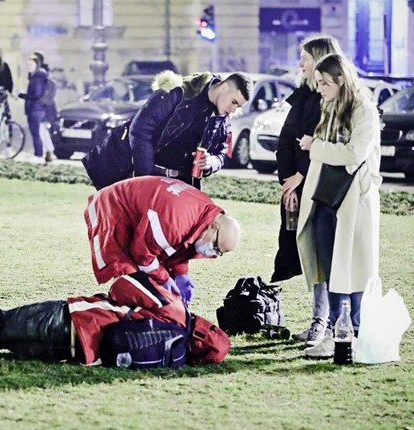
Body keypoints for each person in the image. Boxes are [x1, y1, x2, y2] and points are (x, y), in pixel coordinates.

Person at [0, 271, 230, 367]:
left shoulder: (175, 308)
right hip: (71, 354)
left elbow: (122, 285)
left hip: (68, 321)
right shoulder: (173, 358)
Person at [296, 53, 382, 358]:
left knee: (353, 267)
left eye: (324, 82)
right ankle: (336, 329)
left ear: (341, 80)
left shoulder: (364, 110)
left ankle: (353, 332)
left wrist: (315, 147)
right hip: (325, 197)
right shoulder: (329, 107)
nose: (318, 88)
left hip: (352, 200)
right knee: (331, 267)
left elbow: (354, 154)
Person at [271, 35, 343, 347]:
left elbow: (330, 144)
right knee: (308, 256)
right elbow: (287, 140)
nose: (300, 64)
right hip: (298, 187)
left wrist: (301, 174)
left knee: (323, 257)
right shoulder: (304, 97)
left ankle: (326, 323)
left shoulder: (331, 102)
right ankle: (321, 320)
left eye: (305, 58)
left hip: (322, 190)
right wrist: (288, 178)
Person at [82, 71, 253, 190]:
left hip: (181, 182)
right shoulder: (179, 91)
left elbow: (221, 152)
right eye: (234, 102)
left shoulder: (222, 117)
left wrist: (210, 163)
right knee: (126, 231)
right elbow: (140, 130)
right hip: (138, 172)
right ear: (223, 87)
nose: (233, 109)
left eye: (238, 106)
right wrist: (145, 179)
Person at [84, 176, 241, 304]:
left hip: (136, 209)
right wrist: (164, 278)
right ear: (214, 227)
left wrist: (180, 273)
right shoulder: (176, 220)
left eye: (219, 252)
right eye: (215, 246)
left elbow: (183, 241)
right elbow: (142, 256)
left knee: (146, 283)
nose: (212, 252)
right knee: (131, 279)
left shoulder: (204, 212)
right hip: (111, 208)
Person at [18, 51, 51, 163]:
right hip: (37, 109)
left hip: (35, 109)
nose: (29, 67)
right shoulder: (37, 76)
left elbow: (37, 94)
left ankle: (38, 155)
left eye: (31, 64)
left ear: (37, 65)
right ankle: (43, 154)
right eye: (28, 65)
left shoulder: (37, 77)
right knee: (39, 132)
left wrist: (23, 95)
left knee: (36, 133)